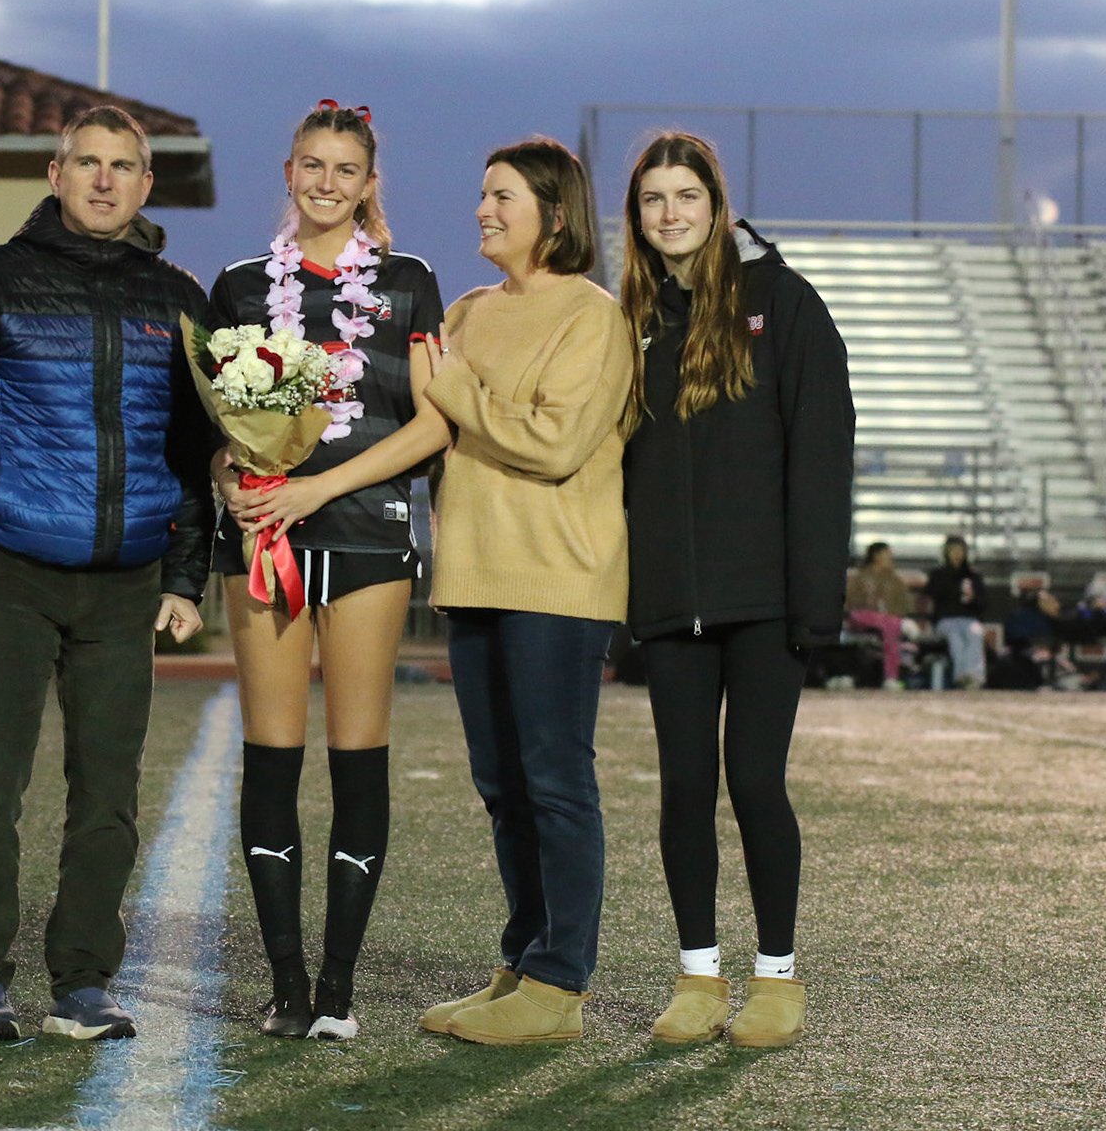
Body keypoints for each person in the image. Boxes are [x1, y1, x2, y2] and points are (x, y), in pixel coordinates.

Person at [249, 136, 632, 1045]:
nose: (482, 211)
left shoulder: (594, 317)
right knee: (503, 788)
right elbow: (429, 435)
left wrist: (453, 387)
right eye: (483, 195)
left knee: (556, 783)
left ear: (555, 216)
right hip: (474, 576)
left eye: (502, 197)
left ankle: (560, 985)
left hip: (558, 578)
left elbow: (553, 444)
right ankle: (521, 964)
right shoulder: (464, 310)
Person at [0, 105, 215, 1043]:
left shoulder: (178, 296)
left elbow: (197, 450)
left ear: (147, 185)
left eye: (123, 166)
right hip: (7, 571)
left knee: (108, 795)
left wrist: (185, 578)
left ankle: (83, 984)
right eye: (87, 162)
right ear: (56, 173)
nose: (104, 180)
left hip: (127, 583)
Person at [207, 102, 444, 1040]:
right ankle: (286, 985)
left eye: (346, 170)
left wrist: (321, 487)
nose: (327, 183)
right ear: (289, 171)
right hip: (263, 542)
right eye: (313, 165)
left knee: (357, 754)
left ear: (368, 183)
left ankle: (339, 989)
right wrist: (232, 479)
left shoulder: (409, 281)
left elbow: (432, 425)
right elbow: (215, 430)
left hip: (368, 540)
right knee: (272, 754)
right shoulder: (237, 287)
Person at [618, 132, 853, 1048]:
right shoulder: (632, 317)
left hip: (765, 599)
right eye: (652, 199)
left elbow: (822, 454)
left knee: (755, 781)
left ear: (718, 206)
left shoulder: (783, 302)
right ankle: (698, 978)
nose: (669, 213)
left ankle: (778, 978)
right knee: (684, 788)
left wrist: (814, 600)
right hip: (669, 597)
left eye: (686, 195)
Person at [845, 541, 916, 689]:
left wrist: (887, 613)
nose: (890, 556)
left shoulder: (894, 580)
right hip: (862, 621)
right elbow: (851, 604)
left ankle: (890, 678)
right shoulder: (862, 577)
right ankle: (891, 676)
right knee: (861, 616)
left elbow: (905, 605)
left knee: (891, 628)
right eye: (886, 553)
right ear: (875, 555)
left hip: (887, 624)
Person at [924, 535, 987, 689]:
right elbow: (933, 595)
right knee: (955, 638)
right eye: (953, 550)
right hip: (946, 620)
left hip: (969, 619)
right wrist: (955, 587)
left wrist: (973, 597)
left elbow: (983, 604)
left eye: (960, 550)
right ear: (946, 552)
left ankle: (974, 676)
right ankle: (961, 676)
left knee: (975, 633)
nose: (957, 554)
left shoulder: (973, 576)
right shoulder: (938, 574)